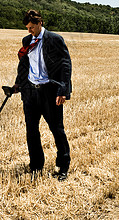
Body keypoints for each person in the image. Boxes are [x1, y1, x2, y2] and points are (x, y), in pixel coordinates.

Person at [13, 9, 72, 181]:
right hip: (30, 93)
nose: (29, 30)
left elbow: (65, 65)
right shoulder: (27, 40)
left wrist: (63, 90)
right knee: (31, 131)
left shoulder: (54, 39)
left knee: (57, 130)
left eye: (32, 27)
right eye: (27, 27)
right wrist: (18, 83)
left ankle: (63, 166)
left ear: (40, 23)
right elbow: (24, 65)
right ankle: (36, 165)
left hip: (49, 92)